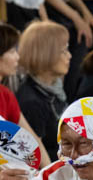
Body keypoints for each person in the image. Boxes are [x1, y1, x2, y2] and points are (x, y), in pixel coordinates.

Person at [16, 20, 72, 160]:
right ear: (46, 55)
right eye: (63, 51)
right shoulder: (32, 102)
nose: (69, 56)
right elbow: (34, 157)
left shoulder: (54, 85)